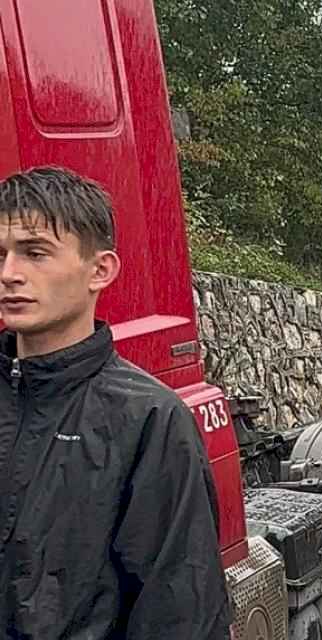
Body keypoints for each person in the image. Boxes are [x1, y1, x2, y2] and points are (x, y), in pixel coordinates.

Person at [0, 167, 231, 638]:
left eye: (35, 253)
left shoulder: (148, 420)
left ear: (100, 270)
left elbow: (178, 610)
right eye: (0, 254)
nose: (9, 274)